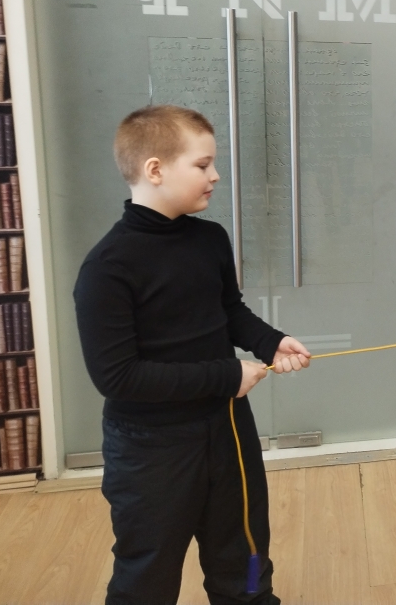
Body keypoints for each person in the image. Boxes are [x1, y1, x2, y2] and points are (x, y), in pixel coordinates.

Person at [74, 105, 311, 605]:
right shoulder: (107, 268)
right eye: (203, 165)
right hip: (150, 449)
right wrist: (226, 376)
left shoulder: (210, 239)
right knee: (147, 573)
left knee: (246, 556)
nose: (215, 175)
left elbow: (229, 310)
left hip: (227, 430)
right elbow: (119, 378)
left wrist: (270, 341)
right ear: (155, 169)